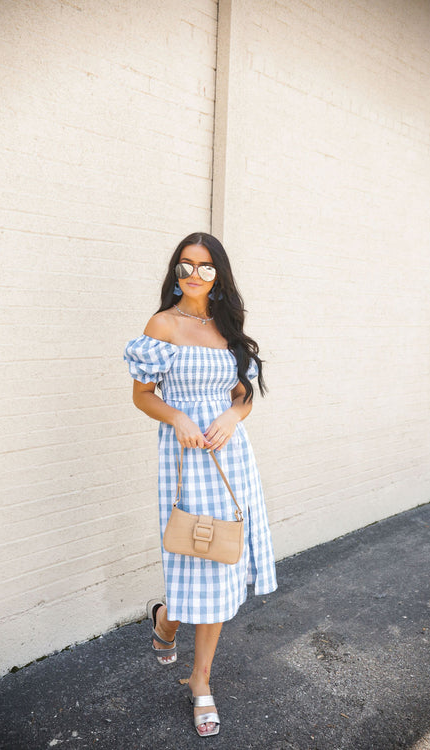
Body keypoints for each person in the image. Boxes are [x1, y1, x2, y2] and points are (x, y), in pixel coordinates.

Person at [124, 232, 277, 737]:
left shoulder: (228, 326)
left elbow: (243, 395)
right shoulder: (162, 325)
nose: (195, 274)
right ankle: (167, 619)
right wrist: (176, 418)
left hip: (232, 457)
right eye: (186, 265)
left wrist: (234, 416)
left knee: (222, 566)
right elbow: (142, 395)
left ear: (219, 274)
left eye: (206, 267)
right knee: (194, 555)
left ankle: (200, 680)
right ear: (175, 272)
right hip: (186, 459)